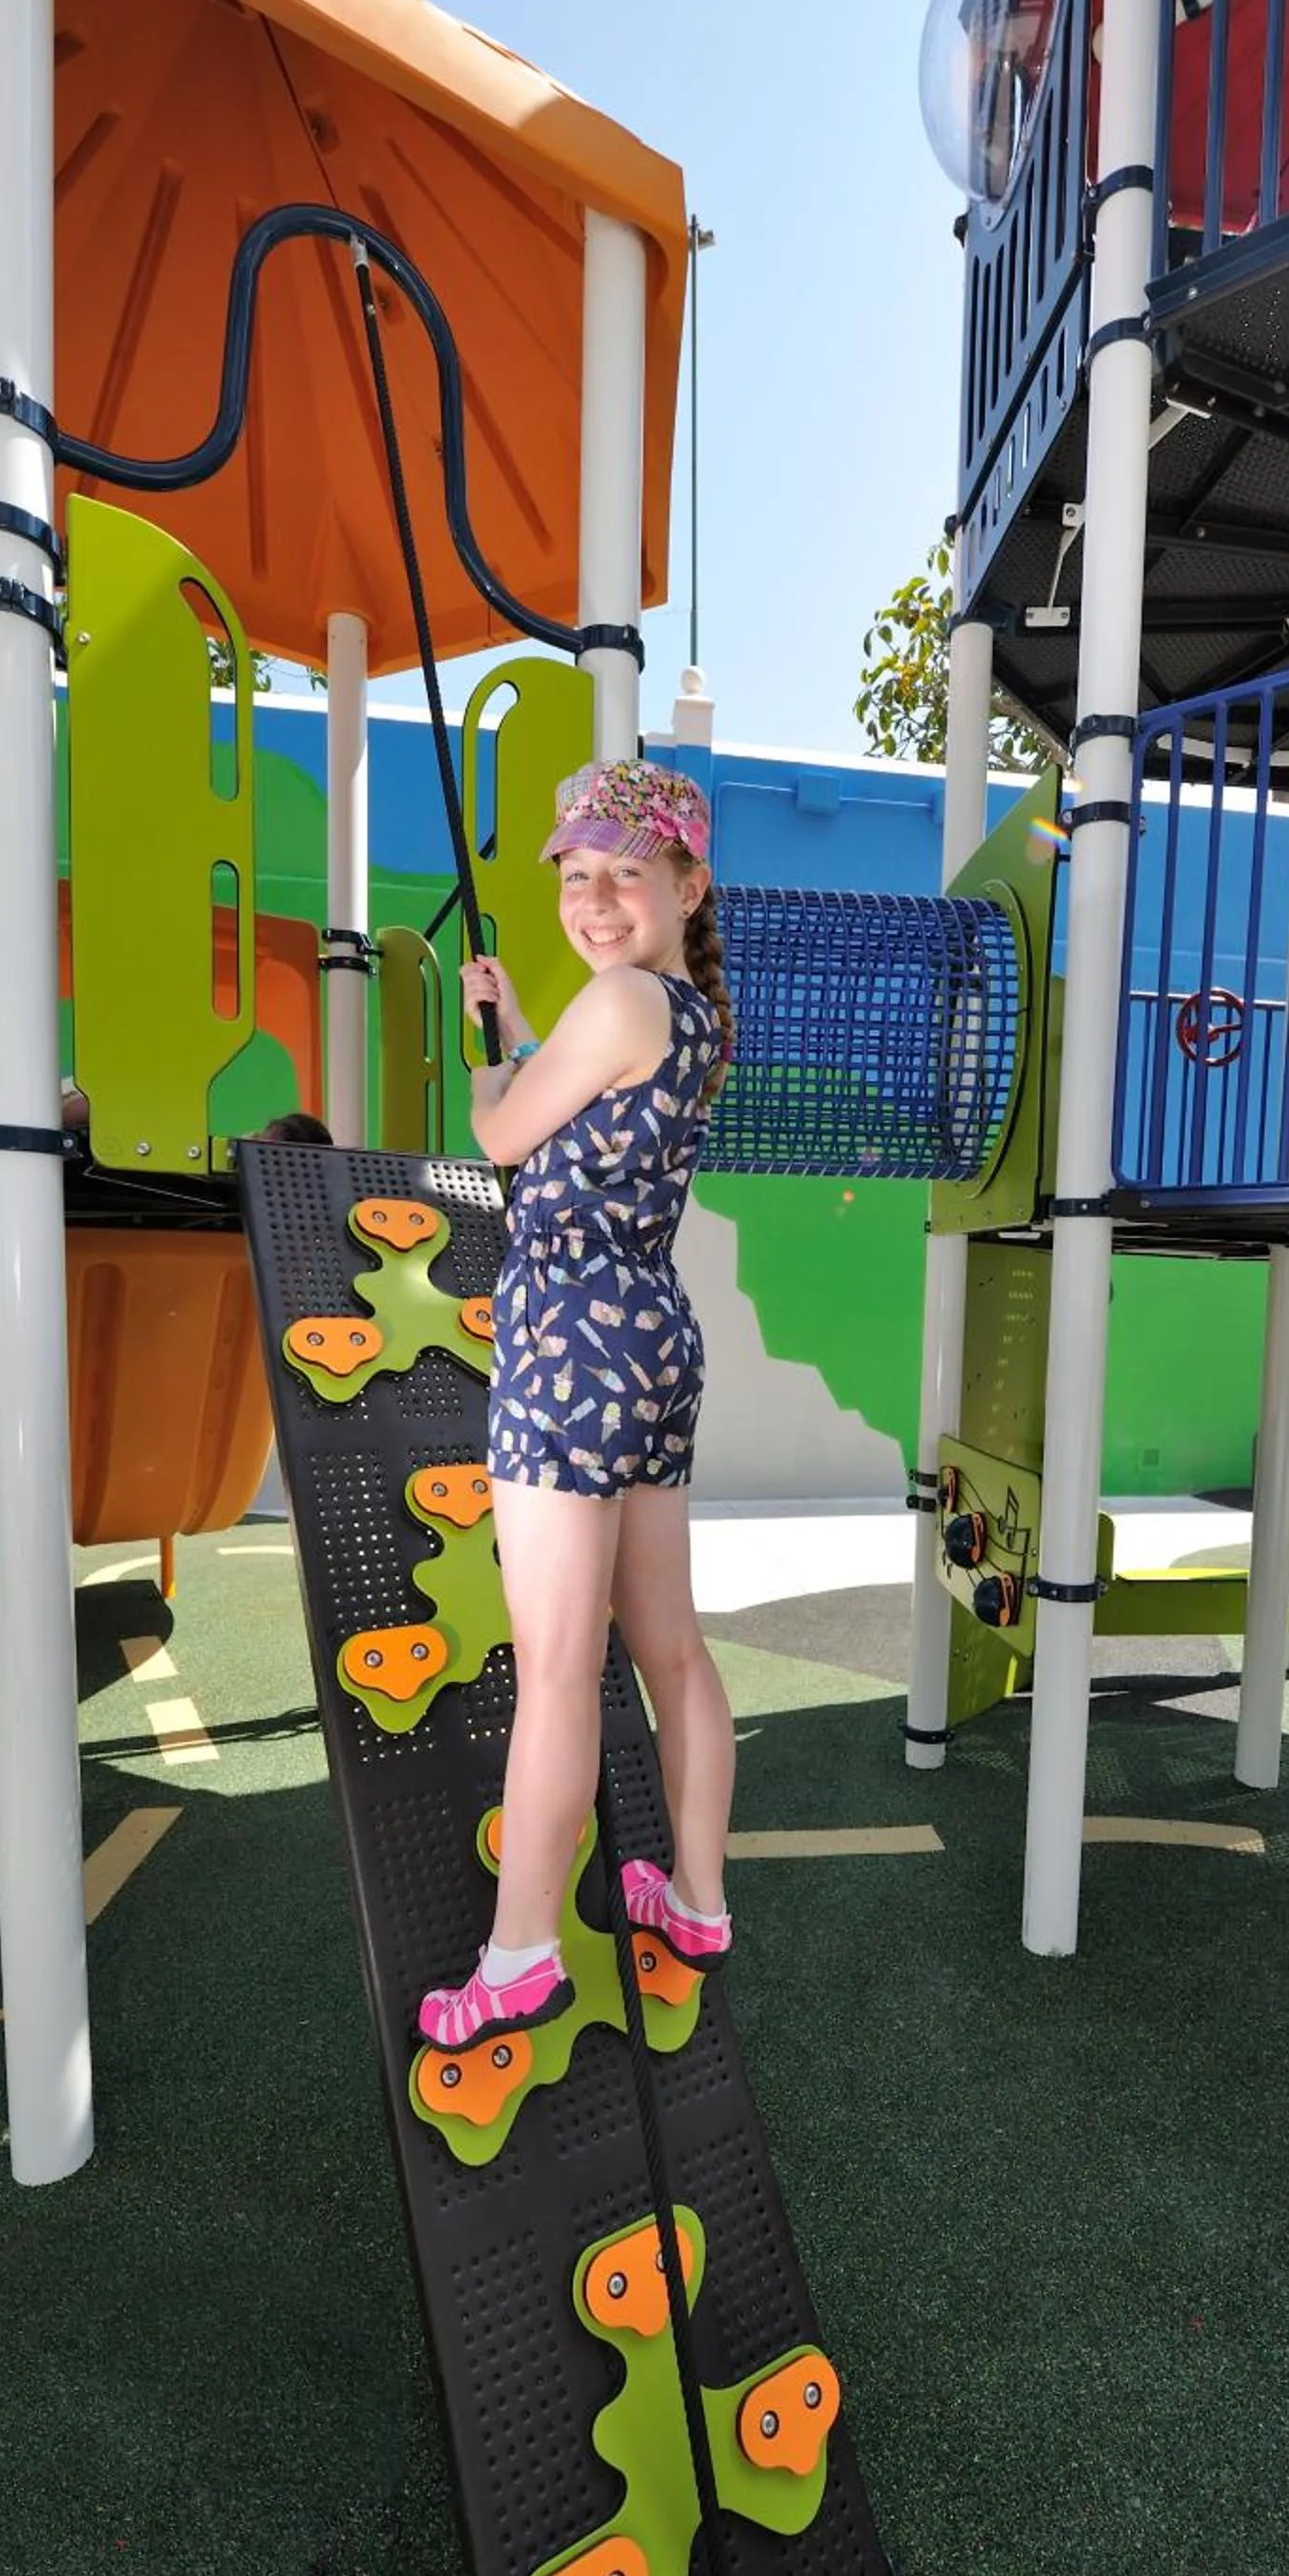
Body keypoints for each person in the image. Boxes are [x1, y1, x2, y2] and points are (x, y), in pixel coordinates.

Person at [415, 757, 739, 2053]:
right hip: (650, 1336)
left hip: (567, 1344)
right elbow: (576, 1108)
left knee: (555, 1670)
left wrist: (489, 1069)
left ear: (687, 885)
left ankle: (519, 1959)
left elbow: (503, 1139)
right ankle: (697, 1903)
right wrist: (514, 1033)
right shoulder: (687, 1013)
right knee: (673, 1651)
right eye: (577, 875)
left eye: (627, 873)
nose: (596, 900)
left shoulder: (615, 1001)